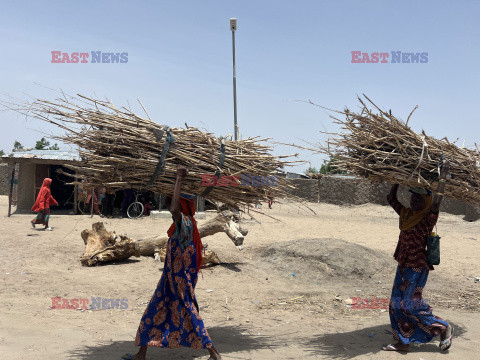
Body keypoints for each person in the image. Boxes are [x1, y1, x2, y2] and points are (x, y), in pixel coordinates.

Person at [122, 165, 221, 360]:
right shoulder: (186, 224)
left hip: (179, 282)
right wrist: (169, 184)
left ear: (183, 206)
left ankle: (214, 353)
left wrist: (178, 178)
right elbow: (172, 204)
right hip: (170, 279)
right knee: (155, 309)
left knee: (190, 313)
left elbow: (174, 207)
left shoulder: (184, 222)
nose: (170, 207)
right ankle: (141, 354)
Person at [383, 161, 453, 352]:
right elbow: (391, 198)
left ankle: (444, 328)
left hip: (417, 268)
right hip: (403, 265)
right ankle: (402, 342)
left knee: (411, 306)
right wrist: (396, 179)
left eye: (418, 199)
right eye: (412, 198)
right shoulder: (405, 214)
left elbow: (437, 201)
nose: (414, 202)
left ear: (426, 201)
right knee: (396, 304)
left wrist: (442, 180)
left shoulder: (427, 219)